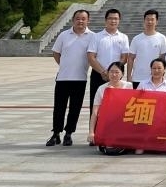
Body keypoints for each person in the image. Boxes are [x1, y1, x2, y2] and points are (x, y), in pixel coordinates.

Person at [48, 9, 94, 147]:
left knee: (75, 108)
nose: (80, 21)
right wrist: (64, 65)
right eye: (78, 18)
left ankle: (69, 133)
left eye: (83, 19)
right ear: (73, 20)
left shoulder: (92, 37)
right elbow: (56, 53)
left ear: (88, 20)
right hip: (63, 78)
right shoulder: (64, 35)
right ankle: (56, 133)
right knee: (59, 107)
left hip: (80, 79)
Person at [86, 8, 129, 122]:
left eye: (116, 19)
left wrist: (113, 73)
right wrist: (103, 72)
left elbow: (124, 57)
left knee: (117, 106)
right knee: (96, 105)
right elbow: (91, 57)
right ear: (105, 20)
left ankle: (113, 130)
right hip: (98, 75)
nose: (113, 21)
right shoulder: (97, 36)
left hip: (116, 77)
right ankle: (94, 130)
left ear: (119, 20)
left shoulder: (123, 37)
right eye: (110, 18)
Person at [87, 61, 132, 153]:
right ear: (107, 73)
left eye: (117, 72)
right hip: (107, 123)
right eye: (111, 72)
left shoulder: (128, 86)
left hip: (123, 122)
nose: (114, 74)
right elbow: (95, 112)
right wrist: (91, 132)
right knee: (107, 147)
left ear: (122, 74)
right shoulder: (101, 88)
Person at [127, 9, 166, 89]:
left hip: (155, 78)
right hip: (138, 78)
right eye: (147, 19)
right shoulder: (137, 38)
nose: (150, 22)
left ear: (156, 22)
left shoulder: (162, 38)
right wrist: (128, 77)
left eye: (152, 19)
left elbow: (163, 58)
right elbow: (130, 58)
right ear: (144, 21)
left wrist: (162, 75)